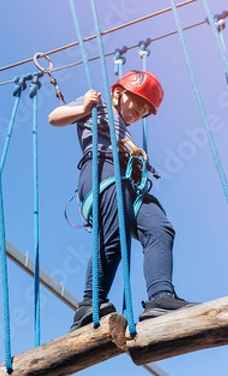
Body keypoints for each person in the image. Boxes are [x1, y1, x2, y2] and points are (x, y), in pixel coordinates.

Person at [49, 70, 196, 331]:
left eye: (145, 110)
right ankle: (90, 304)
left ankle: (161, 298)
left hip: (130, 180)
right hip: (102, 168)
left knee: (160, 228)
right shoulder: (97, 104)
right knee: (114, 236)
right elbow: (55, 118)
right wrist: (84, 106)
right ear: (118, 93)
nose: (140, 111)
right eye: (138, 103)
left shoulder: (125, 131)